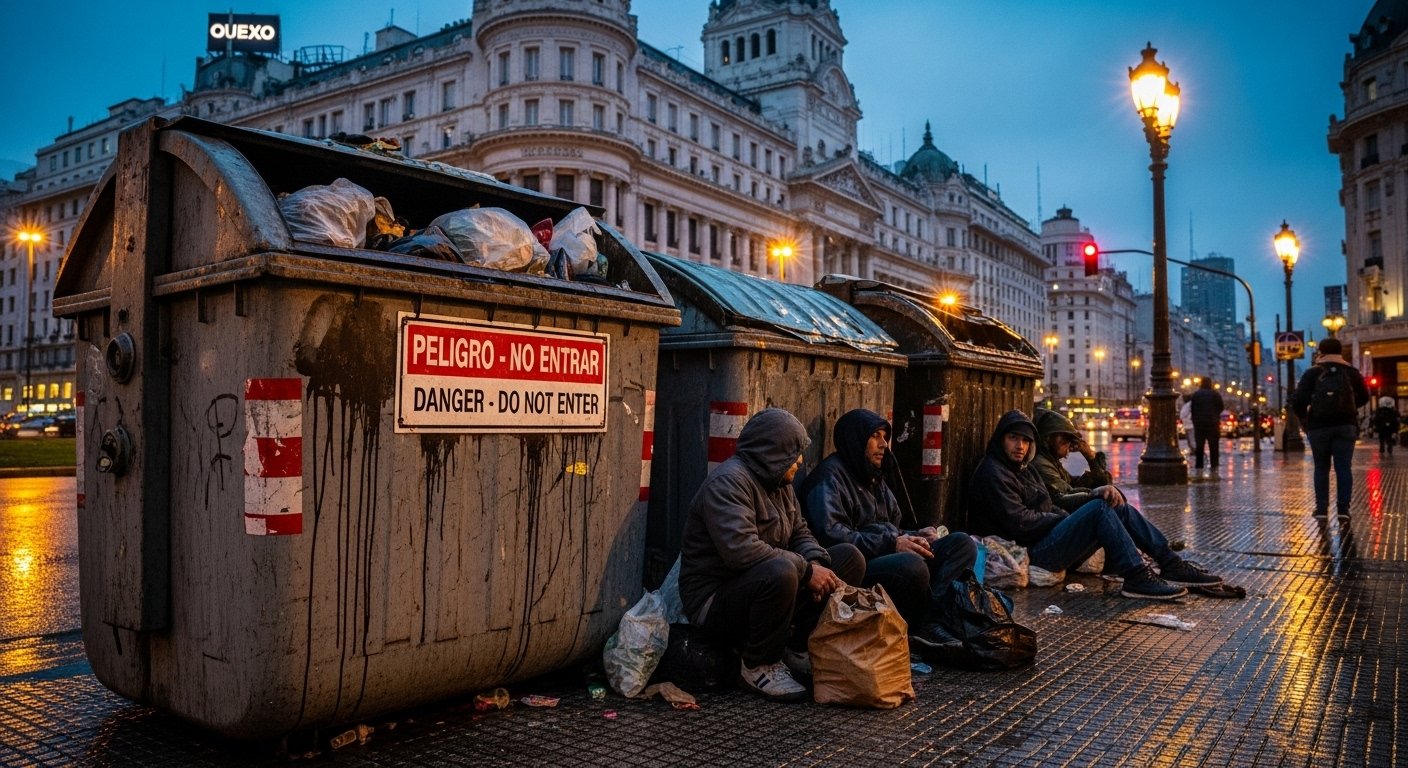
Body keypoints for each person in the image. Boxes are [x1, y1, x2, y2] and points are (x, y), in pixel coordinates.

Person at [678, 407, 865, 702]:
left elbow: (800, 532)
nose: (800, 460)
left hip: (762, 587)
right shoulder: (728, 483)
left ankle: (797, 647)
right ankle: (757, 664)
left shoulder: (779, 483)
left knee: (847, 559)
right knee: (782, 570)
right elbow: (742, 552)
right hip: (713, 599)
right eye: (793, 452)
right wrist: (806, 571)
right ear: (772, 452)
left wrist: (816, 564)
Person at [967, 410, 1222, 600]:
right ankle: (1136, 576)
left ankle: (1170, 563)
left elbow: (1048, 504)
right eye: (1014, 439)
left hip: (1044, 539)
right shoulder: (994, 472)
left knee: (1116, 505)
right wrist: (1064, 520)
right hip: (1032, 552)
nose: (1020, 446)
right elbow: (1019, 522)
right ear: (1002, 440)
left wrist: (1065, 516)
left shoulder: (1023, 469)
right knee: (1100, 507)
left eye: (1025, 441)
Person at [799, 408, 977, 648]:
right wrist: (892, 543)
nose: (883, 444)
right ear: (856, 439)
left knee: (961, 544)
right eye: (876, 436)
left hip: (885, 550)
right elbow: (831, 534)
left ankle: (932, 622)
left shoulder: (875, 477)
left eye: (885, 437)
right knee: (911, 565)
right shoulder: (829, 477)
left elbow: (891, 526)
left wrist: (915, 536)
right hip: (861, 563)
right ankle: (922, 626)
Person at [1292, 337, 1370, 518]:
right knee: (1343, 467)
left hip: (1319, 426)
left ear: (1321, 352)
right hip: (1345, 425)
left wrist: (1306, 419)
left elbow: (1298, 401)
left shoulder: (1312, 373)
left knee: (1321, 467)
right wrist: (1348, 407)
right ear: (1340, 352)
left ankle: (1321, 510)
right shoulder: (1351, 372)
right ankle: (1343, 510)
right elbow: (1365, 396)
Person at [1030, 408, 1112, 512]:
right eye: (1065, 438)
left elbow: (1098, 483)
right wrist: (1097, 493)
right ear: (1047, 438)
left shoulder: (1053, 462)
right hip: (1060, 519)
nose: (1068, 443)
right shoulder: (1041, 463)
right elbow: (1067, 494)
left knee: (1120, 505)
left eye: (1070, 439)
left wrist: (1090, 457)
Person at [1188, 377, 1225, 477]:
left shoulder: (1196, 395)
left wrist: (1196, 419)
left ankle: (1199, 465)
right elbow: (1221, 406)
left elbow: (1192, 408)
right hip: (1213, 423)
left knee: (1200, 445)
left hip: (1199, 424)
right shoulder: (1215, 394)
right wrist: (1215, 415)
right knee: (1214, 446)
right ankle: (1214, 465)